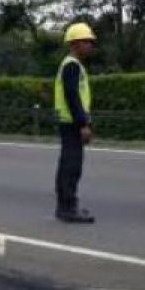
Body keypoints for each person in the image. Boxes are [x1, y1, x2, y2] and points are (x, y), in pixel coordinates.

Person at [54, 22, 96, 223]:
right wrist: (83, 124)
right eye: (86, 41)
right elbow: (72, 96)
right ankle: (67, 208)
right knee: (71, 166)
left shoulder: (73, 65)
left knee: (69, 165)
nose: (90, 45)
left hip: (70, 122)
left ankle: (67, 206)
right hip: (71, 123)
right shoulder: (71, 65)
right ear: (75, 43)